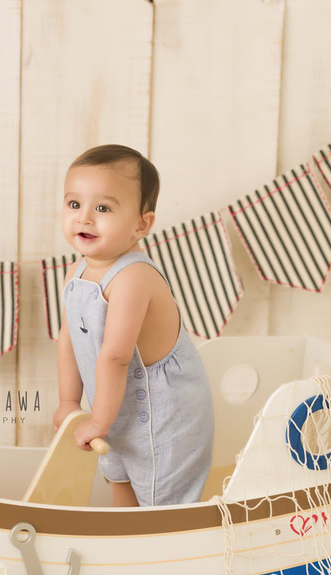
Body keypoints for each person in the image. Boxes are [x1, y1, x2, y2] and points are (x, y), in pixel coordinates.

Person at [52, 144, 215, 507]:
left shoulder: (133, 278)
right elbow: (68, 340)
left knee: (159, 504)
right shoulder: (75, 272)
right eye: (74, 204)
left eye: (103, 208)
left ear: (141, 224)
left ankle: (161, 555)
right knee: (120, 480)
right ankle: (124, 548)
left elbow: (115, 357)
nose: (84, 218)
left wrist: (98, 421)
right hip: (114, 409)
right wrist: (68, 400)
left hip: (163, 416)